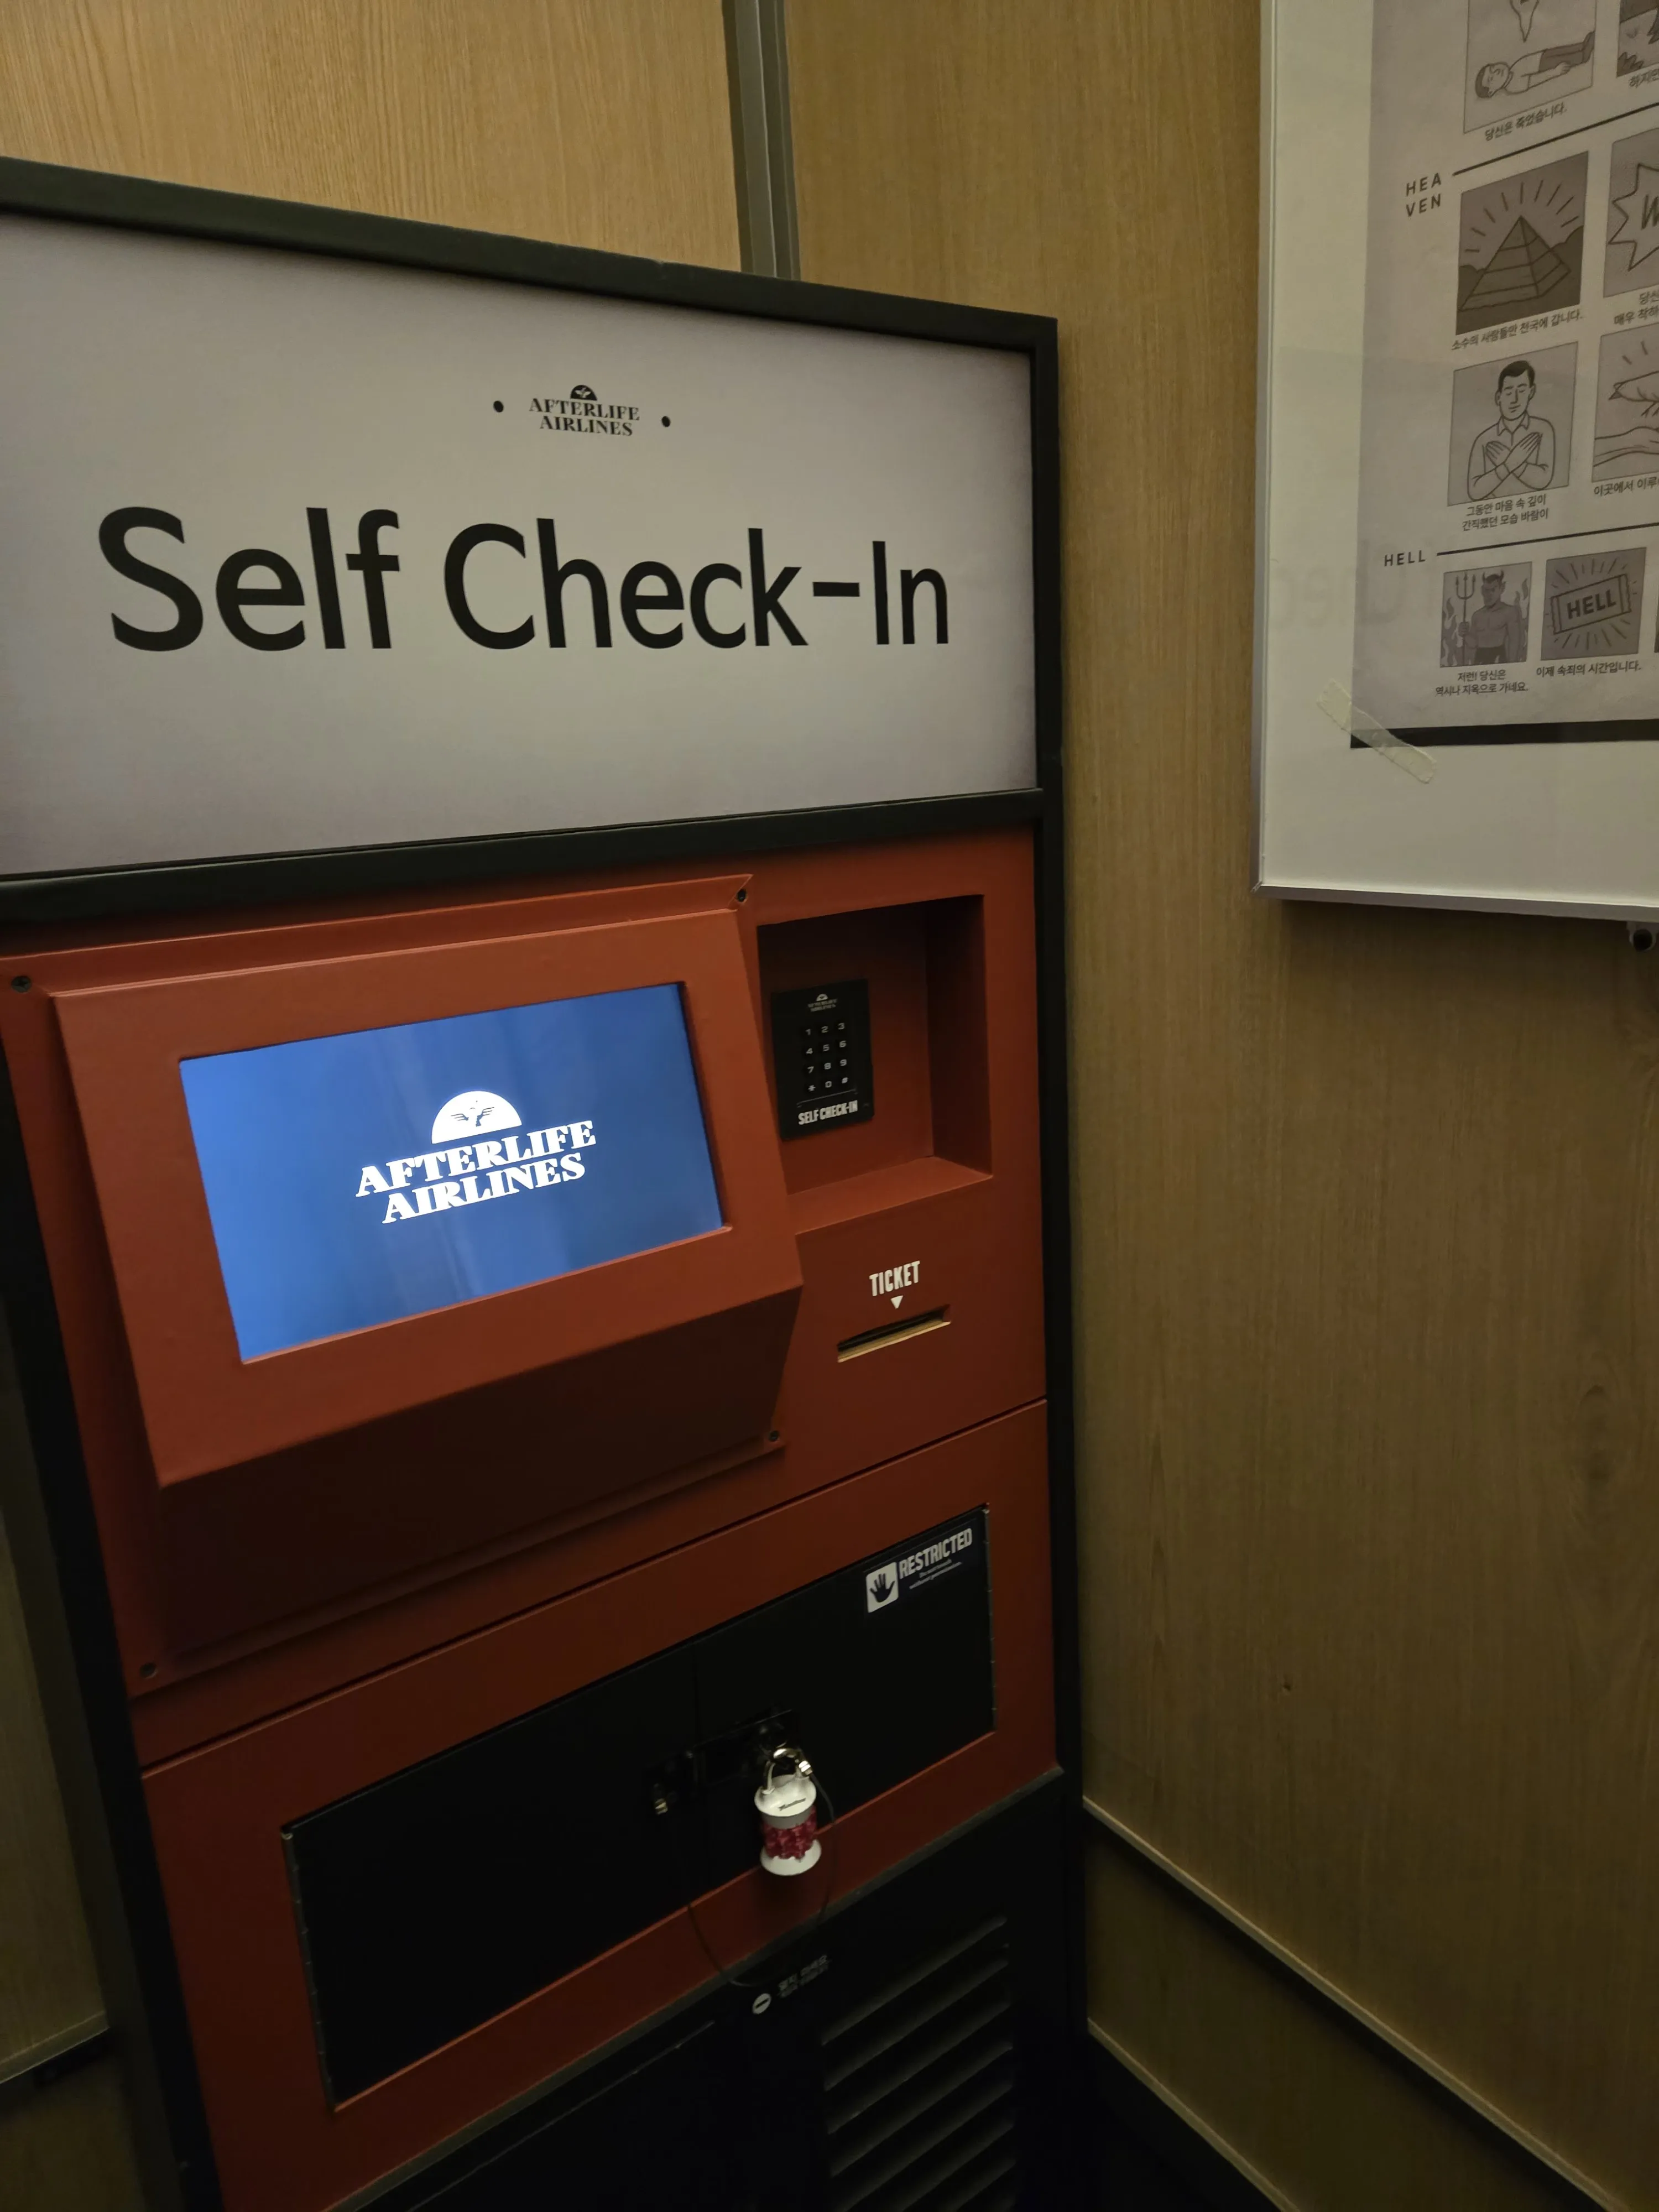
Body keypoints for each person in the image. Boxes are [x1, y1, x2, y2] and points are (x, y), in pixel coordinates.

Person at [1467, 359, 1556, 500]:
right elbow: (1474, 491)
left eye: (1522, 391)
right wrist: (1508, 465)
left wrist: (1510, 462)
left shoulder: (1543, 429)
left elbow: (1544, 479)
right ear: (1498, 397)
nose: (1515, 399)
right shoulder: (1484, 440)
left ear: (1531, 392)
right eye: (1509, 392)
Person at [1474, 28, 1595, 97]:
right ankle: (1585, 53)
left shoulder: (1512, 70)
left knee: (1570, 49)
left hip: (1543, 56)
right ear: (1491, 92)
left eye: (1493, 68)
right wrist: (1555, 72)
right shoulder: (1513, 86)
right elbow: (1535, 80)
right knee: (1574, 57)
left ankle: (1584, 44)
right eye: (1491, 79)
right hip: (1545, 66)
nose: (1496, 71)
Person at [1458, 571, 1527, 661]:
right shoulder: (1477, 615)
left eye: (1493, 590)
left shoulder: (1509, 612)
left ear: (1502, 589)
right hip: (1479, 659)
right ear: (1482, 591)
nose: (1489, 595)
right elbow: (1473, 644)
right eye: (1486, 590)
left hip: (1498, 658)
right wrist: (1464, 634)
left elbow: (1514, 642)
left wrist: (1512, 665)